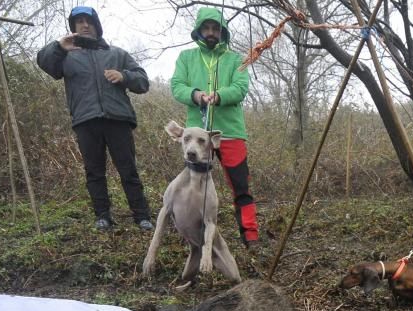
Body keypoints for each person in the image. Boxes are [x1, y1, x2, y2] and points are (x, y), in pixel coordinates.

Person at [37, 6, 152, 231]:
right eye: (79, 21)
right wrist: (59, 46)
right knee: (94, 172)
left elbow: (143, 82)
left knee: (128, 170)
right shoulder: (66, 56)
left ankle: (142, 216)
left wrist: (124, 76)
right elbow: (44, 63)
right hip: (85, 120)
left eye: (88, 21)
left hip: (118, 119)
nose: (84, 25)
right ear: (74, 28)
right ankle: (103, 216)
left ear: (97, 25)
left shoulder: (117, 53)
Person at [171, 7, 260, 254]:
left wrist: (219, 96)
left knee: (241, 186)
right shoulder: (186, 58)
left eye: (215, 28)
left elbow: (241, 88)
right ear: (199, 30)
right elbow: (177, 86)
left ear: (222, 32)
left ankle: (250, 237)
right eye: (206, 28)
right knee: (194, 185)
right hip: (197, 137)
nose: (211, 33)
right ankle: (194, 234)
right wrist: (196, 95)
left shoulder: (235, 59)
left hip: (230, 133)